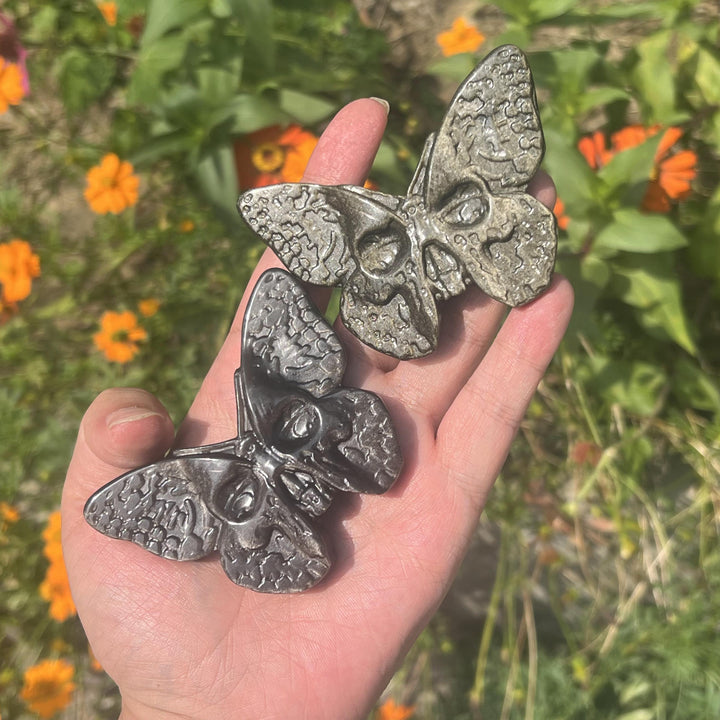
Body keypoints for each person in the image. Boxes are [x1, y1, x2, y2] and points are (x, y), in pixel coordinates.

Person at [62, 97, 574, 720]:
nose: (276, 470)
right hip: (329, 448)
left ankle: (278, 457)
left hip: (346, 410)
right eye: (234, 499)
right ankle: (290, 444)